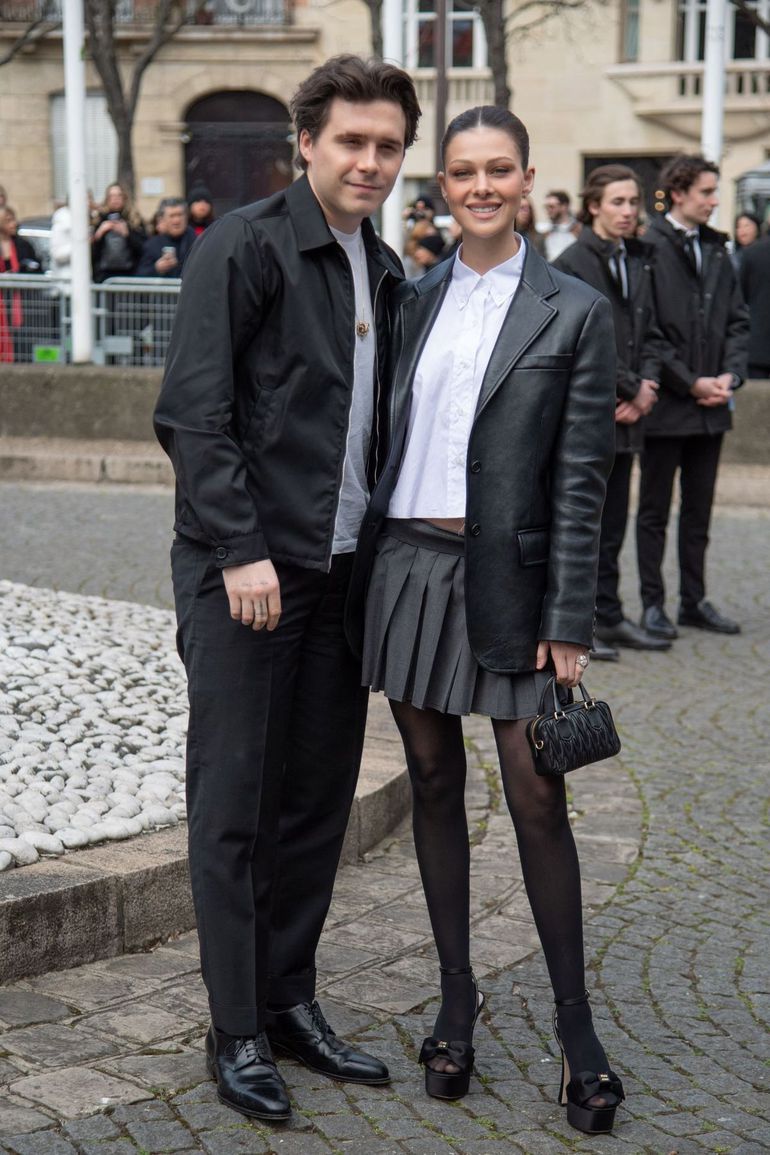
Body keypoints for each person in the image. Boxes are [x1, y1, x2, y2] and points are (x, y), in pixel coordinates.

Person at [154, 55, 421, 1123]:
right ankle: (234, 1028)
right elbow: (193, 412)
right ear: (304, 142)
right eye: (350, 140)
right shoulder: (246, 245)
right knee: (234, 805)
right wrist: (239, 549)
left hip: (340, 573)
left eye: (386, 145)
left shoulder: (387, 268)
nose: (368, 160)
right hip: (249, 575)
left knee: (314, 802)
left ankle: (289, 998)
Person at [349, 105, 624, 1135]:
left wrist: (570, 618)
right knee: (427, 780)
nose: (478, 186)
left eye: (496, 170)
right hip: (409, 570)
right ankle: (455, 999)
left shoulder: (574, 306)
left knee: (536, 795)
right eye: (461, 170)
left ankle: (573, 1027)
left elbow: (583, 479)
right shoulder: (408, 297)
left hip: (511, 583)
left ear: (525, 178)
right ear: (441, 184)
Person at [554, 165, 670, 659]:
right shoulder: (570, 261)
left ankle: (611, 613)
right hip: (589, 413)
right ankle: (585, 623)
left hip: (629, 413)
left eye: (633, 202)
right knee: (586, 521)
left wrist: (647, 387)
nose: (628, 211)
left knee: (616, 520)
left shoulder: (637, 260)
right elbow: (581, 341)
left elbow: (653, 330)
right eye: (618, 202)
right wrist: (627, 387)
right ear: (594, 206)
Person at [637, 155, 749, 639]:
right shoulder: (648, 246)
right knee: (655, 512)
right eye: (706, 191)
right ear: (679, 192)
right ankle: (652, 605)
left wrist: (731, 377)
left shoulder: (719, 249)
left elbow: (738, 321)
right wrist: (690, 382)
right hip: (668, 406)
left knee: (699, 512)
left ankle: (693, 600)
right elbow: (649, 330)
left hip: (712, 409)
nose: (714, 200)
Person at [0, 205, 41, 362]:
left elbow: (37, 268)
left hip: (20, 301)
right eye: (9, 220)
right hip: (2, 300)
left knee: (20, 338)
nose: (14, 224)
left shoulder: (22, 245)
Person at [91, 182, 146, 281]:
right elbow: (91, 251)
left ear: (125, 198)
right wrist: (99, 233)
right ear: (107, 199)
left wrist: (127, 234)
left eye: (119, 195)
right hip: (103, 275)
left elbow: (144, 247)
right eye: (111, 196)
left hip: (130, 275)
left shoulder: (134, 220)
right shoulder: (98, 219)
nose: (115, 199)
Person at [137, 197, 196, 277]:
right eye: (172, 216)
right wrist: (157, 268)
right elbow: (140, 275)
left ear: (186, 217)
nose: (176, 220)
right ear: (162, 220)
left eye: (180, 215)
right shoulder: (151, 245)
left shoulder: (196, 242)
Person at [739, 232, 770, 379]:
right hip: (758, 348)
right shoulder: (752, 253)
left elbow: (740, 297)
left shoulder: (751, 253)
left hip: (757, 346)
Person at [542, 189, 580, 261]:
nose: (548, 210)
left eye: (551, 206)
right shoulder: (545, 232)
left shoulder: (578, 230)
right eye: (546, 207)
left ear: (564, 206)